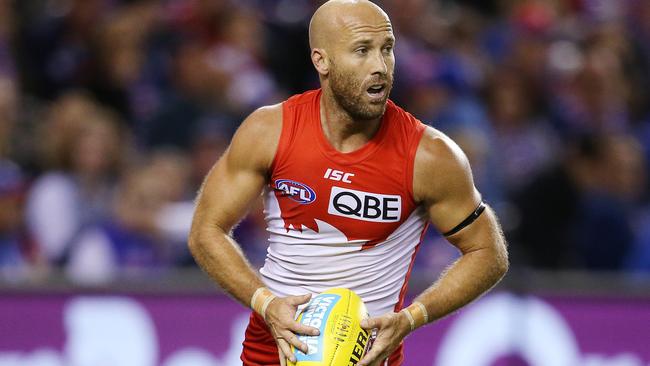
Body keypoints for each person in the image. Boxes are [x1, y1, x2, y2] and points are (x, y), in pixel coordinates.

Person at [188, 1, 509, 365]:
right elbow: (206, 230)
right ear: (321, 61)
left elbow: (489, 253)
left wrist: (412, 317)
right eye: (362, 51)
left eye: (387, 49)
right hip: (268, 355)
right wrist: (266, 303)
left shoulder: (430, 156)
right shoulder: (269, 131)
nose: (379, 66)